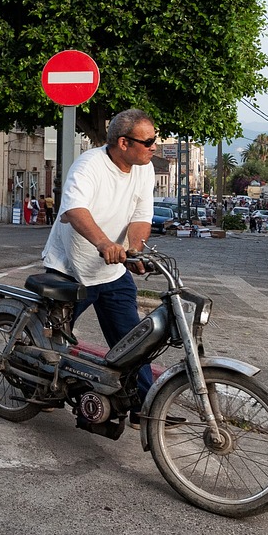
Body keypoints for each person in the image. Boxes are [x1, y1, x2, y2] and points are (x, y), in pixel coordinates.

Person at [42, 108, 157, 423]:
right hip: (69, 266)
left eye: (154, 140)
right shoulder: (89, 165)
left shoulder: (144, 169)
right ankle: (40, 388)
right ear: (123, 142)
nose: (154, 147)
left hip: (110, 269)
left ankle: (145, 409)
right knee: (53, 337)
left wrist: (132, 250)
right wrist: (104, 243)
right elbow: (74, 210)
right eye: (148, 142)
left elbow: (140, 217)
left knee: (133, 340)